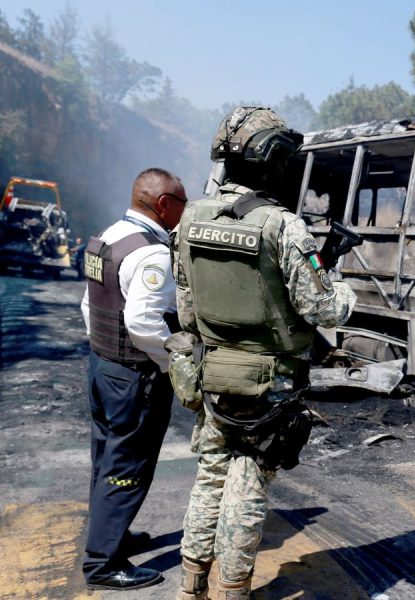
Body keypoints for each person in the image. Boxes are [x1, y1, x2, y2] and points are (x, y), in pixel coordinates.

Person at [172, 106, 356, 600]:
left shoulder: (189, 218)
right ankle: (234, 590)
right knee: (248, 483)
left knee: (210, 476)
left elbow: (186, 310)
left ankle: (190, 586)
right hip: (269, 384)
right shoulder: (283, 226)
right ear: (271, 160)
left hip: (212, 375)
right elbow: (326, 311)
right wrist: (337, 282)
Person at [80, 168, 188, 590]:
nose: (184, 210)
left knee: (106, 457)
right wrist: (171, 362)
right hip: (133, 377)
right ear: (164, 205)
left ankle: (109, 535)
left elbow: (90, 305)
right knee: (128, 466)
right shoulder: (152, 253)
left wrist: (103, 350)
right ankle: (103, 564)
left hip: (102, 366)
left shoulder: (106, 237)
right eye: (182, 202)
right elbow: (143, 322)